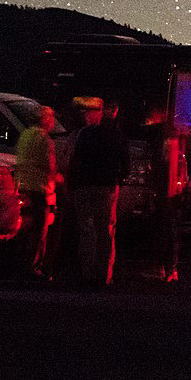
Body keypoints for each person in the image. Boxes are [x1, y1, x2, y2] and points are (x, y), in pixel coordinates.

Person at [65, 98, 129, 287]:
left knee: (86, 230)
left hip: (85, 185)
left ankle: (88, 272)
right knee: (106, 230)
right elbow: (125, 165)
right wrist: (118, 180)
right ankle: (104, 274)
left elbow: (75, 160)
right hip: (107, 187)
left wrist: (73, 184)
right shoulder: (117, 136)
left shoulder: (85, 134)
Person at [9, 104, 62, 279]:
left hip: (23, 187)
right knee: (40, 230)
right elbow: (49, 166)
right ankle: (35, 267)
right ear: (45, 120)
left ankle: (19, 265)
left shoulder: (25, 135)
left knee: (24, 228)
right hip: (40, 189)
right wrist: (60, 178)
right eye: (51, 118)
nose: (53, 122)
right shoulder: (44, 139)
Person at [139, 104, 189, 283]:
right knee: (172, 230)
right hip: (174, 191)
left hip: (166, 191)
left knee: (162, 229)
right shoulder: (176, 137)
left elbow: (165, 167)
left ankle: (162, 268)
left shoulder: (165, 139)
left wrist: (160, 191)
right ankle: (171, 269)